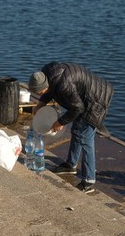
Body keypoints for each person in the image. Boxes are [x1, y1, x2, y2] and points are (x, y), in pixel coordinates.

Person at [29, 63, 114, 194]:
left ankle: (89, 181)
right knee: (77, 131)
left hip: (96, 100)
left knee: (85, 139)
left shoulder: (64, 86)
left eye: (39, 92)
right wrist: (40, 104)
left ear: (44, 85)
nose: (39, 94)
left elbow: (78, 108)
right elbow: (49, 91)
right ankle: (70, 165)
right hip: (82, 97)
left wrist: (61, 121)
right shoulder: (46, 75)